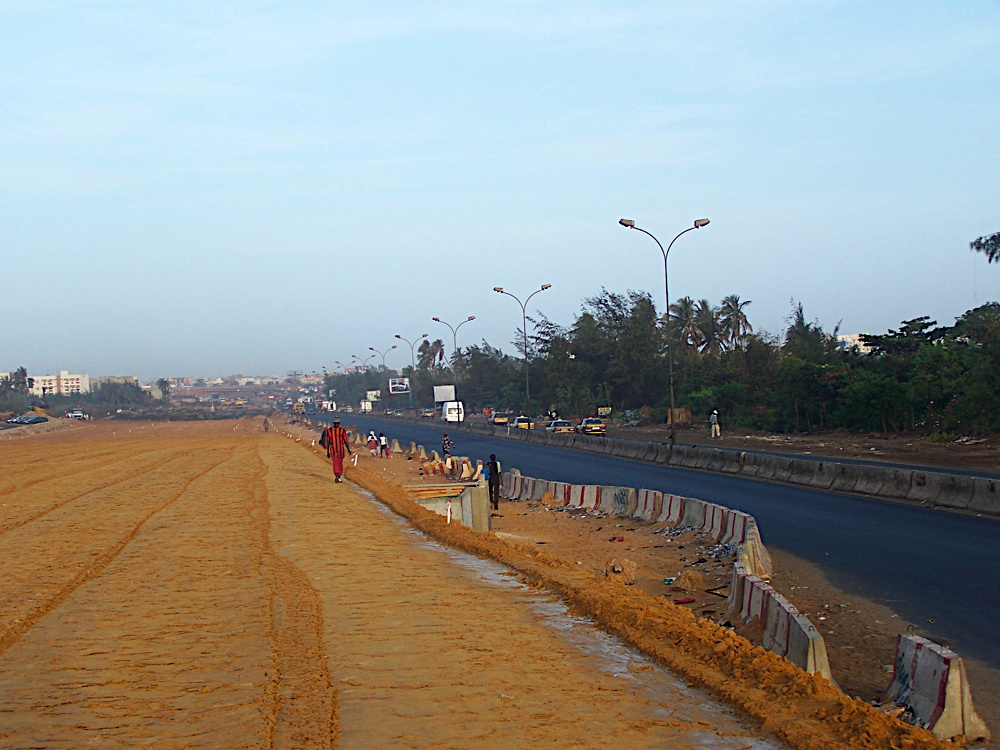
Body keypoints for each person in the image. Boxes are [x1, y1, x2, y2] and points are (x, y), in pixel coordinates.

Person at [321, 418, 352, 483]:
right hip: (333, 450)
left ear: (339, 424)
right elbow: (328, 441)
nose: (336, 424)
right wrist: (328, 451)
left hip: (341, 450)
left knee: (340, 463)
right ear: (334, 423)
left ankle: (339, 475)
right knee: (335, 462)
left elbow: (345, 440)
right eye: (335, 423)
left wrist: (348, 449)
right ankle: (337, 475)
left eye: (337, 423)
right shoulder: (329, 431)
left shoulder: (342, 430)